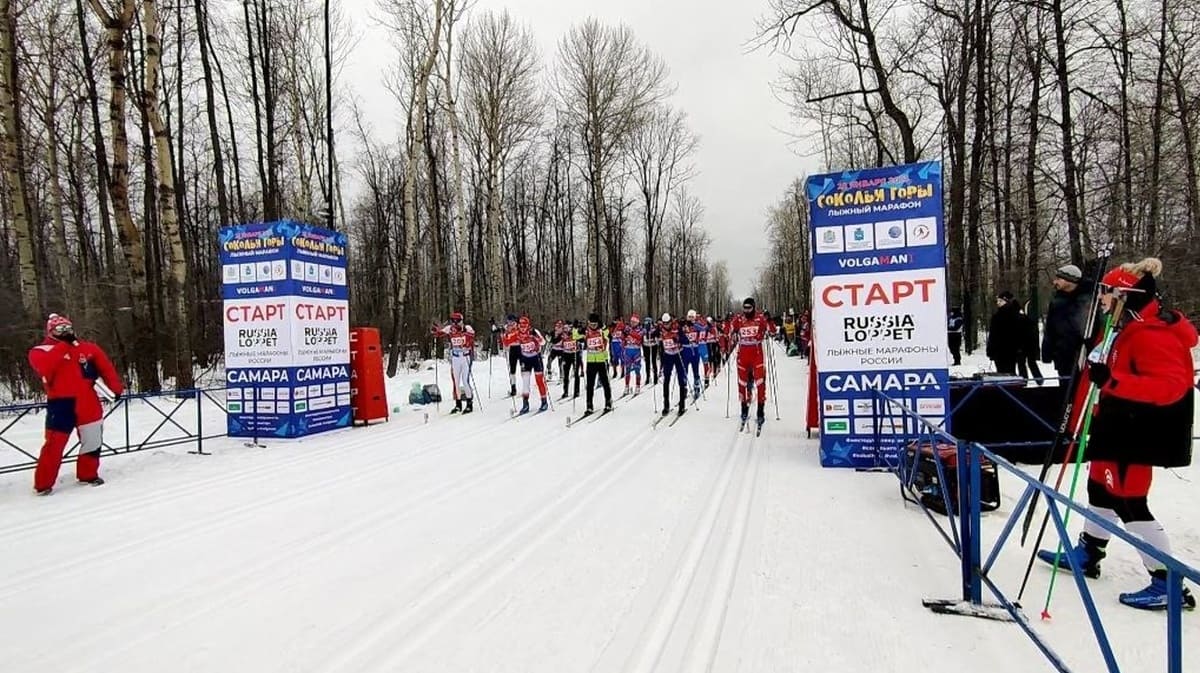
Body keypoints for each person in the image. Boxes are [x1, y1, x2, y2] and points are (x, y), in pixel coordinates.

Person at [1036, 257, 1196, 610]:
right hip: (1113, 425)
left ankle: (1166, 582)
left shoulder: (1154, 333)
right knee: (1099, 489)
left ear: (1127, 295)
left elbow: (1171, 387)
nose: (1102, 300)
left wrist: (1111, 380)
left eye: (1107, 293)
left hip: (1137, 431)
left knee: (1130, 502)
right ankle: (1089, 552)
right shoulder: (1124, 326)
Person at [27, 313, 125, 495]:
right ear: (51, 331)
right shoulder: (40, 350)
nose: (65, 332)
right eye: (60, 329)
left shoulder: (88, 348)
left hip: (88, 400)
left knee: (92, 440)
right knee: (54, 445)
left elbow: (106, 368)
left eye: (68, 328)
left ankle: (88, 474)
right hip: (61, 403)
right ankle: (43, 483)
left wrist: (116, 388)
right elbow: (45, 367)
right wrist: (64, 346)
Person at [725, 297, 777, 429]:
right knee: (742, 383)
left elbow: (772, 331)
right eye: (744, 308)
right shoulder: (739, 319)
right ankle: (743, 407)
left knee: (760, 383)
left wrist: (770, 320)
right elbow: (728, 332)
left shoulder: (760, 319)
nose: (746, 311)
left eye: (749, 308)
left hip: (757, 355)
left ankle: (760, 410)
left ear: (754, 307)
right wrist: (728, 323)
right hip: (743, 355)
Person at [1042, 263, 1095, 379]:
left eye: (1059, 279)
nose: (1055, 282)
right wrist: (1047, 351)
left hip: (1083, 355)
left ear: (1070, 280)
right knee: (1064, 389)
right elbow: (1050, 328)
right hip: (1062, 356)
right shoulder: (1057, 301)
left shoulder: (1088, 298)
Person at [431, 312, 475, 414]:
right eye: (453, 320)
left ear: (462, 321)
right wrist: (435, 331)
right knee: (456, 381)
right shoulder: (450, 328)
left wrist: (462, 332)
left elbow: (471, 336)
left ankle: (469, 403)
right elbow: (440, 333)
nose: (455, 323)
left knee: (465, 381)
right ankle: (458, 404)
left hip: (465, 357)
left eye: (457, 321)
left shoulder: (467, 328)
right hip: (455, 357)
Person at [515, 316, 549, 414]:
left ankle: (544, 401)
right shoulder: (517, 333)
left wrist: (536, 337)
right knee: (525, 381)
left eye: (524, 326)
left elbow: (543, 342)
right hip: (525, 358)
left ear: (528, 325)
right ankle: (525, 404)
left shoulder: (533, 331)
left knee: (539, 380)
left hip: (536, 357)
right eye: (521, 325)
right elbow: (507, 341)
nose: (522, 328)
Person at [986, 291, 1024, 375]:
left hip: (1010, 350)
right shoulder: (996, 316)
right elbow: (993, 335)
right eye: (998, 301)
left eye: (1001, 301)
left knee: (1008, 372)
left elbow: (1019, 334)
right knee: (1001, 372)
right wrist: (991, 349)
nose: (998, 303)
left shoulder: (1015, 316)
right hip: (999, 351)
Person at [582, 313, 613, 414]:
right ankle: (589, 405)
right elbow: (575, 336)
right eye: (591, 324)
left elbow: (609, 335)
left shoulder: (601, 331)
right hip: (590, 361)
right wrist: (576, 328)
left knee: (605, 383)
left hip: (601, 360)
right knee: (590, 385)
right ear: (589, 323)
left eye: (595, 324)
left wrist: (604, 327)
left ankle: (608, 402)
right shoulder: (587, 331)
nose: (593, 326)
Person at [658, 313, 688, 416]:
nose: (666, 325)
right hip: (668, 356)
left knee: (681, 379)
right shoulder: (661, 329)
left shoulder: (677, 328)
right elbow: (652, 335)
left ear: (671, 321)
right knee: (666, 380)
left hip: (678, 355)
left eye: (668, 323)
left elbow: (686, 340)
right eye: (664, 323)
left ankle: (682, 405)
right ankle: (666, 405)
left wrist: (678, 339)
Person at [622, 314, 644, 396]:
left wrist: (630, 332)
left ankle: (637, 386)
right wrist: (623, 338)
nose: (632, 323)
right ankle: (627, 386)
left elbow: (639, 337)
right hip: (628, 351)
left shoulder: (640, 330)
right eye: (631, 322)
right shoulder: (627, 329)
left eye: (634, 322)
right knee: (627, 369)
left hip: (636, 351)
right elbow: (623, 338)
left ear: (637, 322)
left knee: (637, 369)